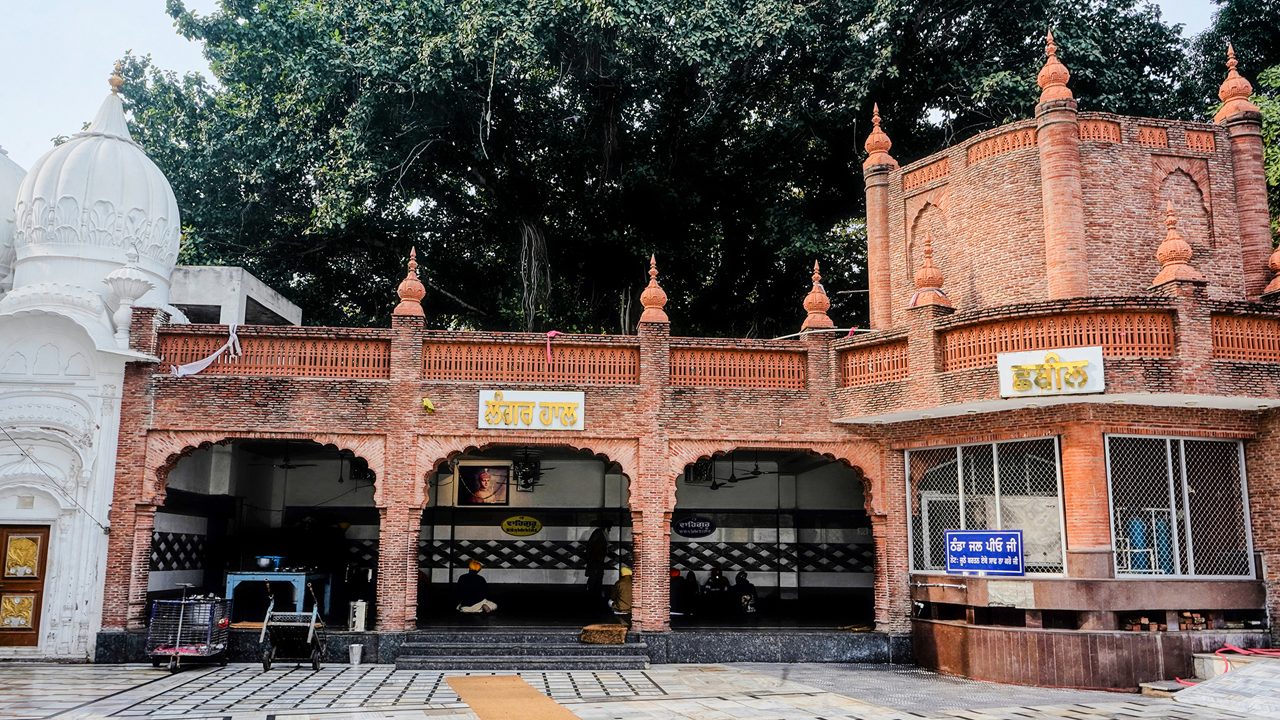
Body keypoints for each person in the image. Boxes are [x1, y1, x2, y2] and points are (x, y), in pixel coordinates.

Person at [584, 521, 611, 601]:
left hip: (596, 561)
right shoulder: (599, 533)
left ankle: (593, 595)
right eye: (610, 528)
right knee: (595, 578)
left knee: (596, 578)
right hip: (596, 561)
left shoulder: (599, 533)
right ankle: (593, 595)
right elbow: (593, 548)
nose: (610, 530)